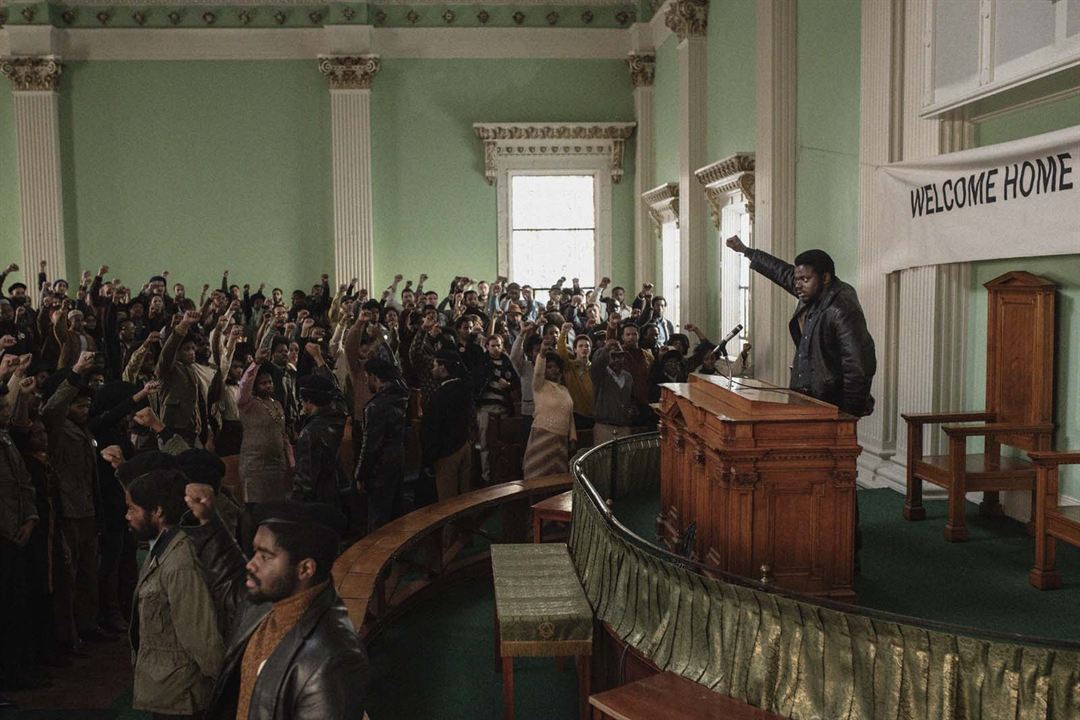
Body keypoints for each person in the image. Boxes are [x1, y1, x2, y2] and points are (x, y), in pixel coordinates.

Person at [181, 494, 370, 720]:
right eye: (254, 552)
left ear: (305, 569)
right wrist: (208, 520)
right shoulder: (271, 602)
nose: (251, 564)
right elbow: (231, 576)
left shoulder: (335, 659)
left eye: (265, 556)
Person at [725, 236, 876, 416]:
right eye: (796, 279)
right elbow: (781, 271)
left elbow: (858, 366)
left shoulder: (841, 308)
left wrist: (848, 416)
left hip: (830, 404)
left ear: (825, 277)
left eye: (804, 279)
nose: (797, 285)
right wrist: (747, 251)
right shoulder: (812, 290)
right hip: (806, 397)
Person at [124, 468, 225, 720]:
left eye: (133, 509)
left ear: (157, 512)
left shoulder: (180, 562)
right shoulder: (161, 549)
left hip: (182, 697)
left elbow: (201, 636)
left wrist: (228, 686)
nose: (127, 516)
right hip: (168, 690)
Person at [355, 358, 409, 531]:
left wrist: (361, 475)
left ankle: (377, 558)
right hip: (397, 461)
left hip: (380, 469)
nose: (366, 381)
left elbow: (370, 445)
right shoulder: (400, 397)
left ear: (374, 377)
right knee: (395, 518)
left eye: (367, 377)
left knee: (379, 522)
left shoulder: (376, 406)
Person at [237, 353, 291, 507]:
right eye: (263, 383)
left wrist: (290, 461)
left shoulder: (277, 405)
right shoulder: (247, 404)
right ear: (255, 386)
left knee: (276, 508)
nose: (268, 385)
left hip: (277, 465)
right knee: (254, 509)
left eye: (270, 382)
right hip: (254, 466)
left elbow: (283, 435)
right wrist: (256, 364)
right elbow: (244, 386)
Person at [422, 350, 474, 501]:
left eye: (435, 365)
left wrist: (429, 458)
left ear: (443, 368)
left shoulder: (439, 395)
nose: (433, 369)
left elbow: (432, 429)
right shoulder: (464, 388)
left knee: (448, 502)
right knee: (465, 498)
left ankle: (451, 526)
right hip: (464, 444)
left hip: (447, 452)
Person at [290, 373, 347, 509]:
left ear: (309, 400)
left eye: (301, 399)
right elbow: (339, 397)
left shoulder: (309, 433)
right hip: (333, 488)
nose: (300, 403)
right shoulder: (337, 418)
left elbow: (305, 478)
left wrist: (295, 504)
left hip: (315, 498)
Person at [523, 352, 576, 478]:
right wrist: (541, 354)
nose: (554, 370)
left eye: (557, 367)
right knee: (536, 477)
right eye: (550, 367)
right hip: (542, 436)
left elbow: (569, 413)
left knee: (557, 479)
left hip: (561, 440)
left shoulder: (564, 389)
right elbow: (537, 373)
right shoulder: (539, 386)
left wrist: (573, 436)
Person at [590, 341, 637, 445]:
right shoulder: (600, 375)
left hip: (624, 426)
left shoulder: (628, 377)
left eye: (620, 356)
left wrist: (631, 410)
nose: (617, 360)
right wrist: (606, 349)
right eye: (613, 356)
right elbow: (597, 365)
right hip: (604, 426)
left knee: (625, 459)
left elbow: (632, 399)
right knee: (605, 460)